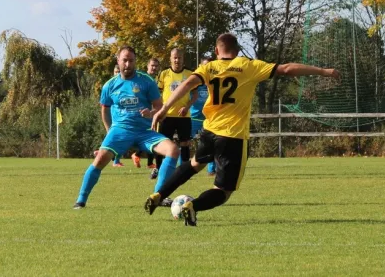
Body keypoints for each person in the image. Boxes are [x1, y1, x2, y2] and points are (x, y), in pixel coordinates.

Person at [144, 33, 340, 225]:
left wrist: (164, 109)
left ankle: (159, 194)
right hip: (233, 137)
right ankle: (192, 206)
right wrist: (323, 71)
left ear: (216, 51)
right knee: (224, 191)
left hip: (209, 131)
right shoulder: (248, 66)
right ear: (237, 51)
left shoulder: (209, 67)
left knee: (194, 164)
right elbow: (287, 69)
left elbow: (187, 84)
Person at [73, 46, 180, 209]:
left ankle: (158, 196)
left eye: (131, 60)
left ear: (136, 62)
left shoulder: (146, 81)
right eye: (125, 60)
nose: (128, 64)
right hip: (120, 130)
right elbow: (105, 109)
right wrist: (110, 132)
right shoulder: (109, 85)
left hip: (145, 132)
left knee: (173, 150)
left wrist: (150, 114)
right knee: (100, 158)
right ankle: (81, 200)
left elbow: (160, 107)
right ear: (118, 61)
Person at [155, 48, 198, 171]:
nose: (177, 60)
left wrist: (187, 106)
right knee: (162, 143)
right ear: (170, 59)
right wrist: (159, 110)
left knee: (185, 143)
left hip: (184, 115)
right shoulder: (164, 74)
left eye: (179, 57)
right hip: (166, 115)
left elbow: (195, 95)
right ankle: (158, 168)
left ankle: (184, 169)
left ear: (183, 59)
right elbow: (157, 94)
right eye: (174, 57)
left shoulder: (190, 74)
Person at [130, 58, 161, 170]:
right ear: (147, 65)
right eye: (152, 65)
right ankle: (137, 155)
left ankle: (148, 162)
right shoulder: (141, 78)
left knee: (152, 137)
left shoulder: (156, 79)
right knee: (149, 137)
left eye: (156, 66)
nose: (154, 68)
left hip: (153, 113)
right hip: (142, 115)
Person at [189, 56, 214, 176]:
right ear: (200, 67)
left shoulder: (215, 82)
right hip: (194, 117)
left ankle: (211, 170)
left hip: (209, 118)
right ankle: (182, 167)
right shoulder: (194, 83)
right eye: (205, 66)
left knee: (212, 143)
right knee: (186, 143)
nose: (207, 69)